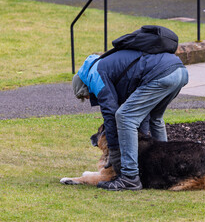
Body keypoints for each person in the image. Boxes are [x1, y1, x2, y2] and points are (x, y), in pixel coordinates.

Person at [72, 35, 188, 191]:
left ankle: (129, 178)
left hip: (161, 74)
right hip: (179, 71)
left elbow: (111, 116)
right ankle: (167, 168)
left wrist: (114, 154)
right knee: (155, 118)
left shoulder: (94, 75)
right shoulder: (108, 66)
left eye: (85, 96)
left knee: (124, 117)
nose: (89, 98)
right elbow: (143, 116)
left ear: (84, 86)